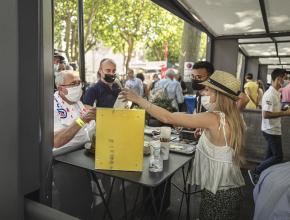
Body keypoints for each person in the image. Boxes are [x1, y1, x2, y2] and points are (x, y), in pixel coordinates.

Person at [121, 70, 246, 219]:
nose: (205, 94)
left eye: (209, 91)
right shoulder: (233, 116)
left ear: (219, 95)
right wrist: (206, 130)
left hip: (219, 194)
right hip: (228, 189)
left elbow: (167, 117)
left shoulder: (213, 118)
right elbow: (242, 99)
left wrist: (138, 99)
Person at [53, 70, 96, 220]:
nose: (79, 86)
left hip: (82, 155)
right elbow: (57, 141)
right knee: (74, 205)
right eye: (73, 84)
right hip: (62, 160)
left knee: (87, 199)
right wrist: (81, 121)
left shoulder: (78, 102)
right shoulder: (51, 105)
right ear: (61, 88)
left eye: (79, 83)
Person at [248, 68, 290, 185]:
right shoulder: (270, 94)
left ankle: (261, 175)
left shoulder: (277, 93)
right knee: (278, 157)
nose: (286, 81)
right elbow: (266, 114)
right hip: (271, 130)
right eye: (285, 78)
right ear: (278, 79)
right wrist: (285, 113)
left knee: (269, 156)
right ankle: (255, 171)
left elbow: (274, 109)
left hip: (274, 129)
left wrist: (283, 109)